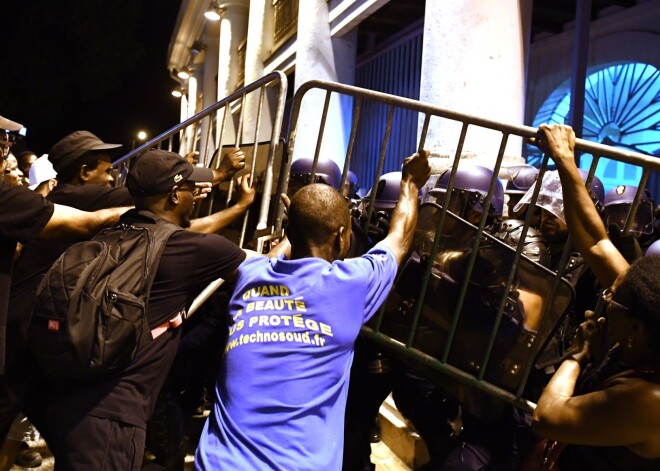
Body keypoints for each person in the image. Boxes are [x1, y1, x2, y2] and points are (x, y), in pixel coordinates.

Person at [195, 150, 430, 470]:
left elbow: (267, 256)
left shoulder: (250, 273)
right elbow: (399, 237)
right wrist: (411, 184)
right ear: (341, 237)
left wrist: (298, 225)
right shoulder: (351, 284)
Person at [40, 149, 248, 470]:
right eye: (191, 190)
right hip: (113, 418)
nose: (196, 197)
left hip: (67, 401)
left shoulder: (110, 234)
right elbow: (259, 271)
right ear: (174, 195)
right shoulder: (194, 249)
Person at [0, 115, 129, 467]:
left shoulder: (39, 198)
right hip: (19, 335)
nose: (113, 177)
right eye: (107, 171)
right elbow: (91, 219)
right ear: (85, 172)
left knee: (57, 425)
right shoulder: (85, 197)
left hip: (30, 332)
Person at [531, 123, 660, 469]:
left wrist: (576, 357)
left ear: (635, 329)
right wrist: (565, 160)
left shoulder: (648, 402)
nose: (606, 300)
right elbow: (596, 242)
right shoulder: (645, 303)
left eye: (610, 299)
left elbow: (547, 415)